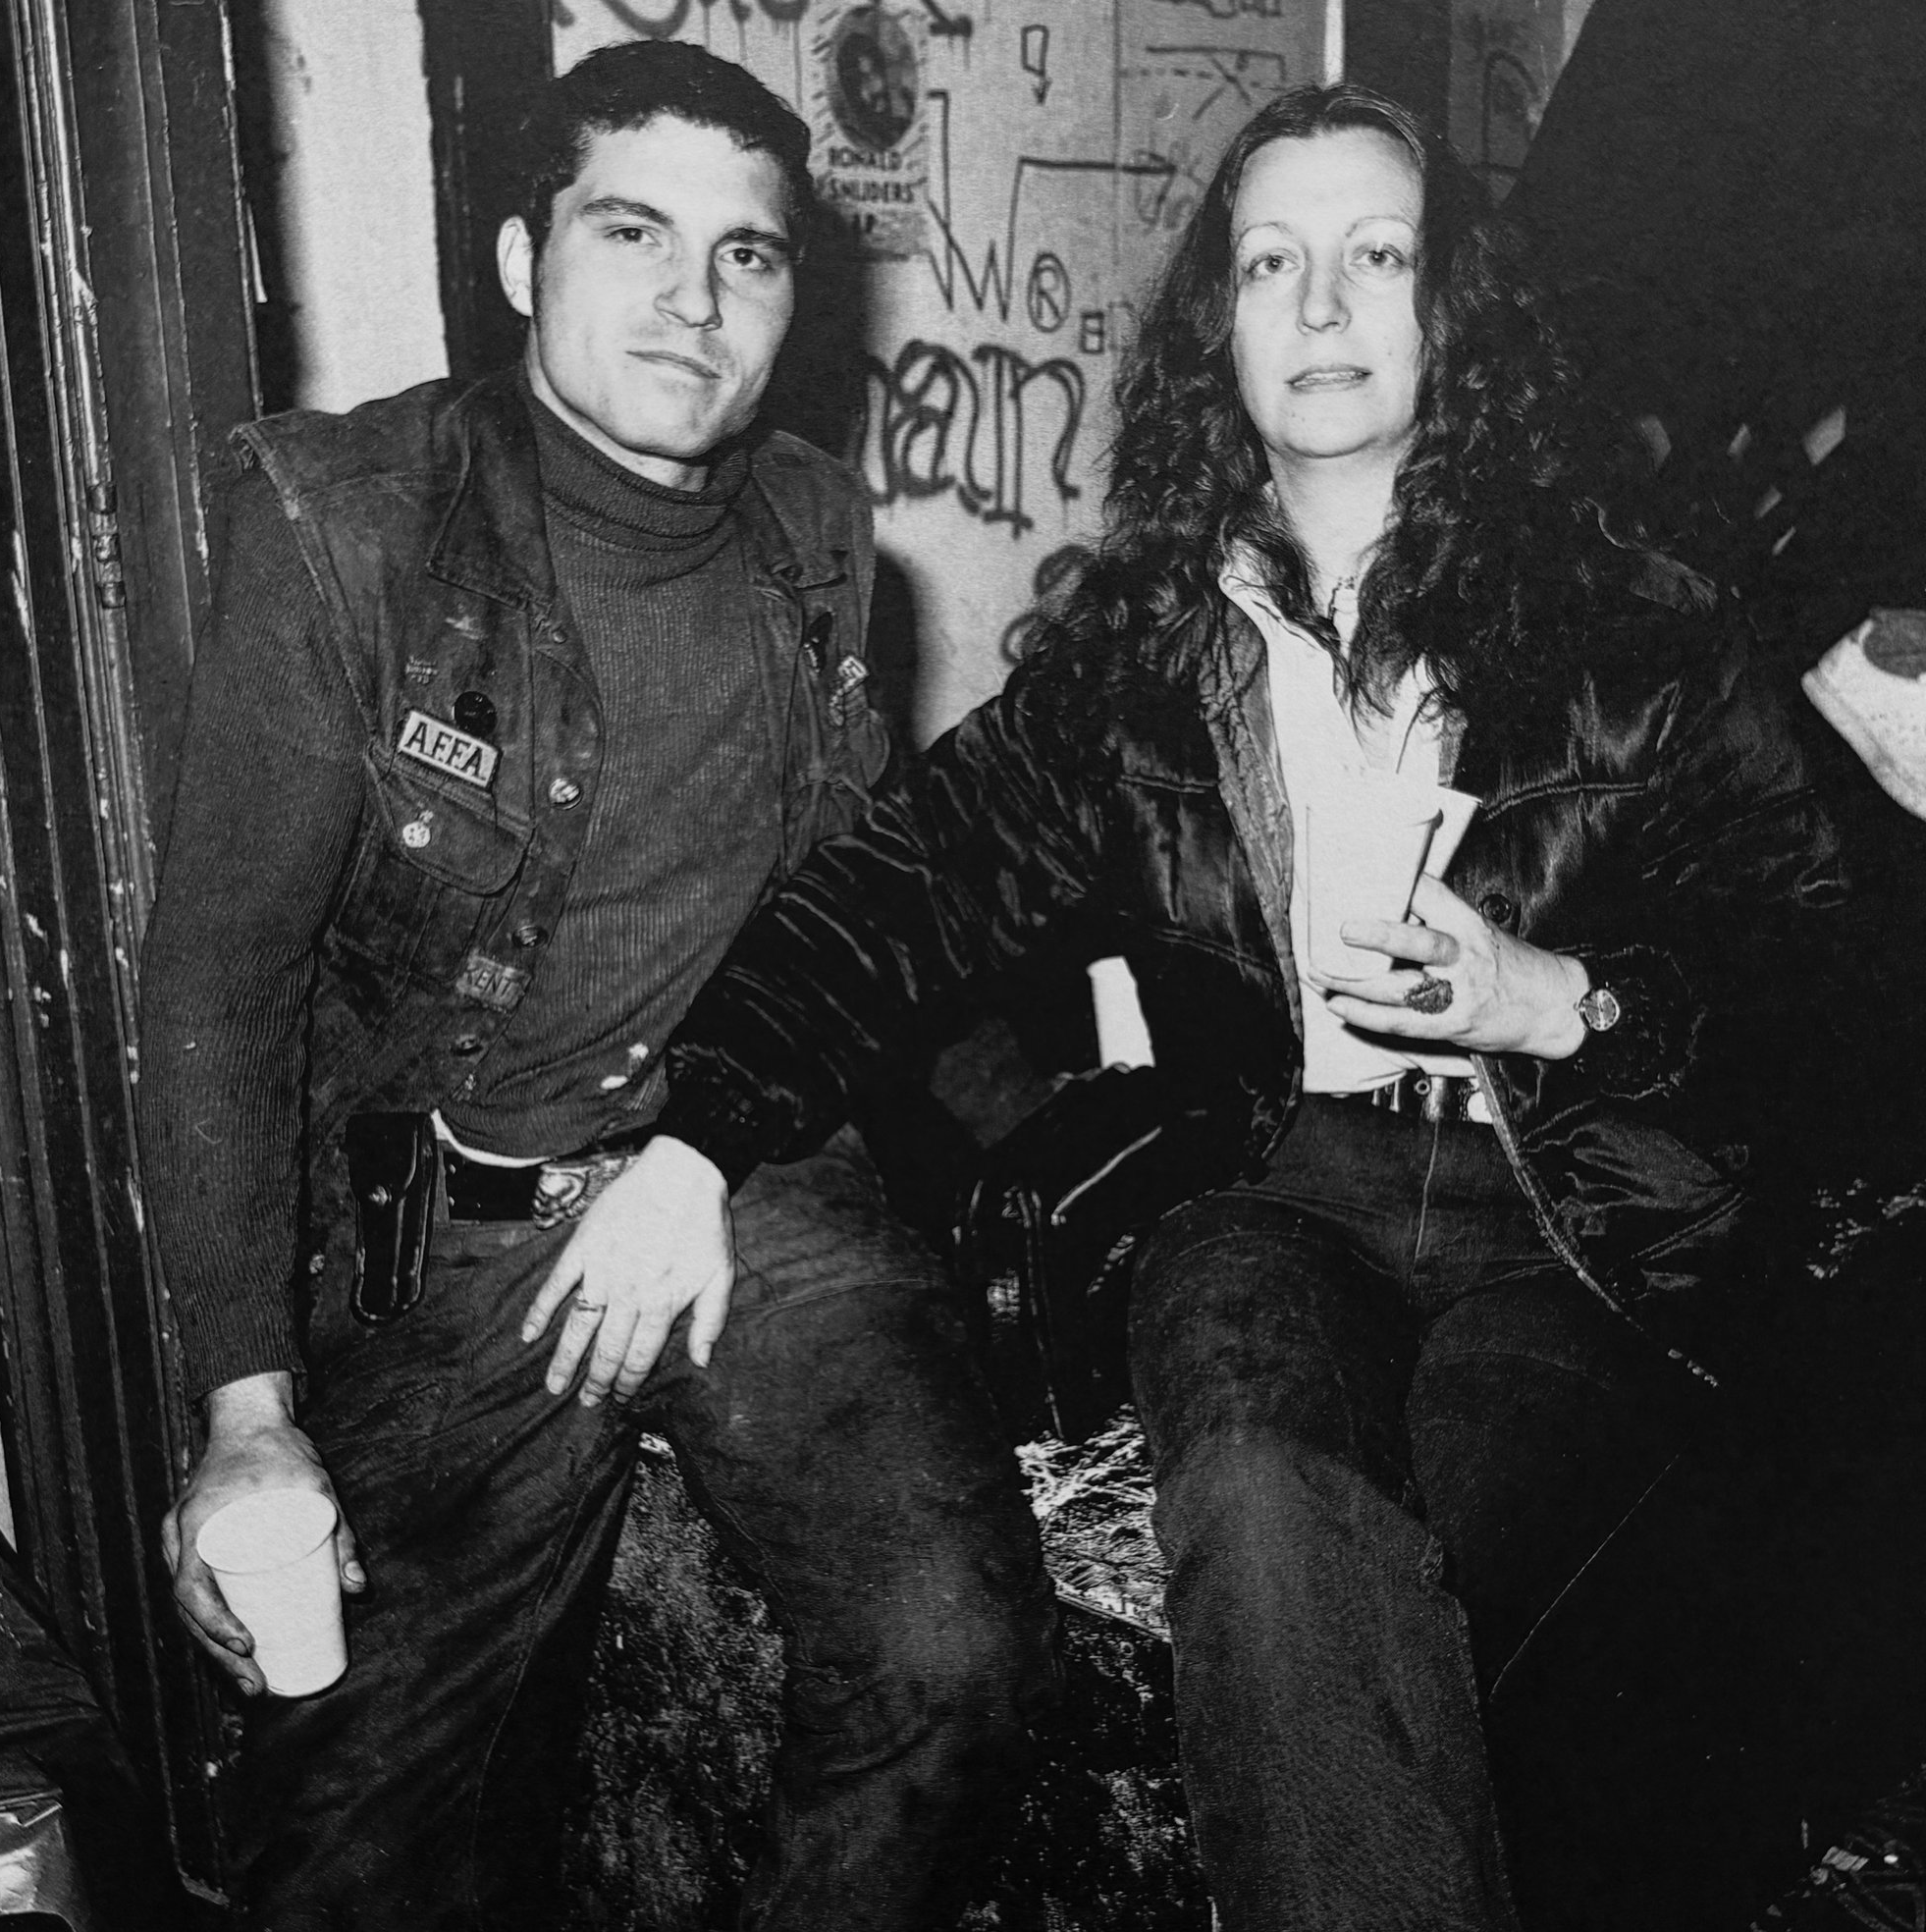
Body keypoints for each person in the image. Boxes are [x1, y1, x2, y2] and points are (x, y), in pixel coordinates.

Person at [545, 82, 1848, 1930]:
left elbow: (1828, 986)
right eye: (1269, 263)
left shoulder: (1641, 628)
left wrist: (1563, 1001)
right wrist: (694, 1135)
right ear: (1217, 326)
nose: (1321, 307)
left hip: (1574, 1216)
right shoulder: (1140, 666)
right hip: (1270, 1190)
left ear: (1450, 311)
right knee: (1251, 1485)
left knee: (1440, 1576)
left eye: (1376, 258)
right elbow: (889, 892)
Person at [140, 39, 1057, 1931]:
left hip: (745, 1173)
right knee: (349, 1855)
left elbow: (853, 920)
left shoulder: (821, 536)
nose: (691, 298)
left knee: (955, 1659)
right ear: (518, 258)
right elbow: (222, 986)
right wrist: (242, 1411)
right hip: (453, 1228)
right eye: (632, 232)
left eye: (747, 254)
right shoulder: (349, 527)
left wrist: (729, 1151)